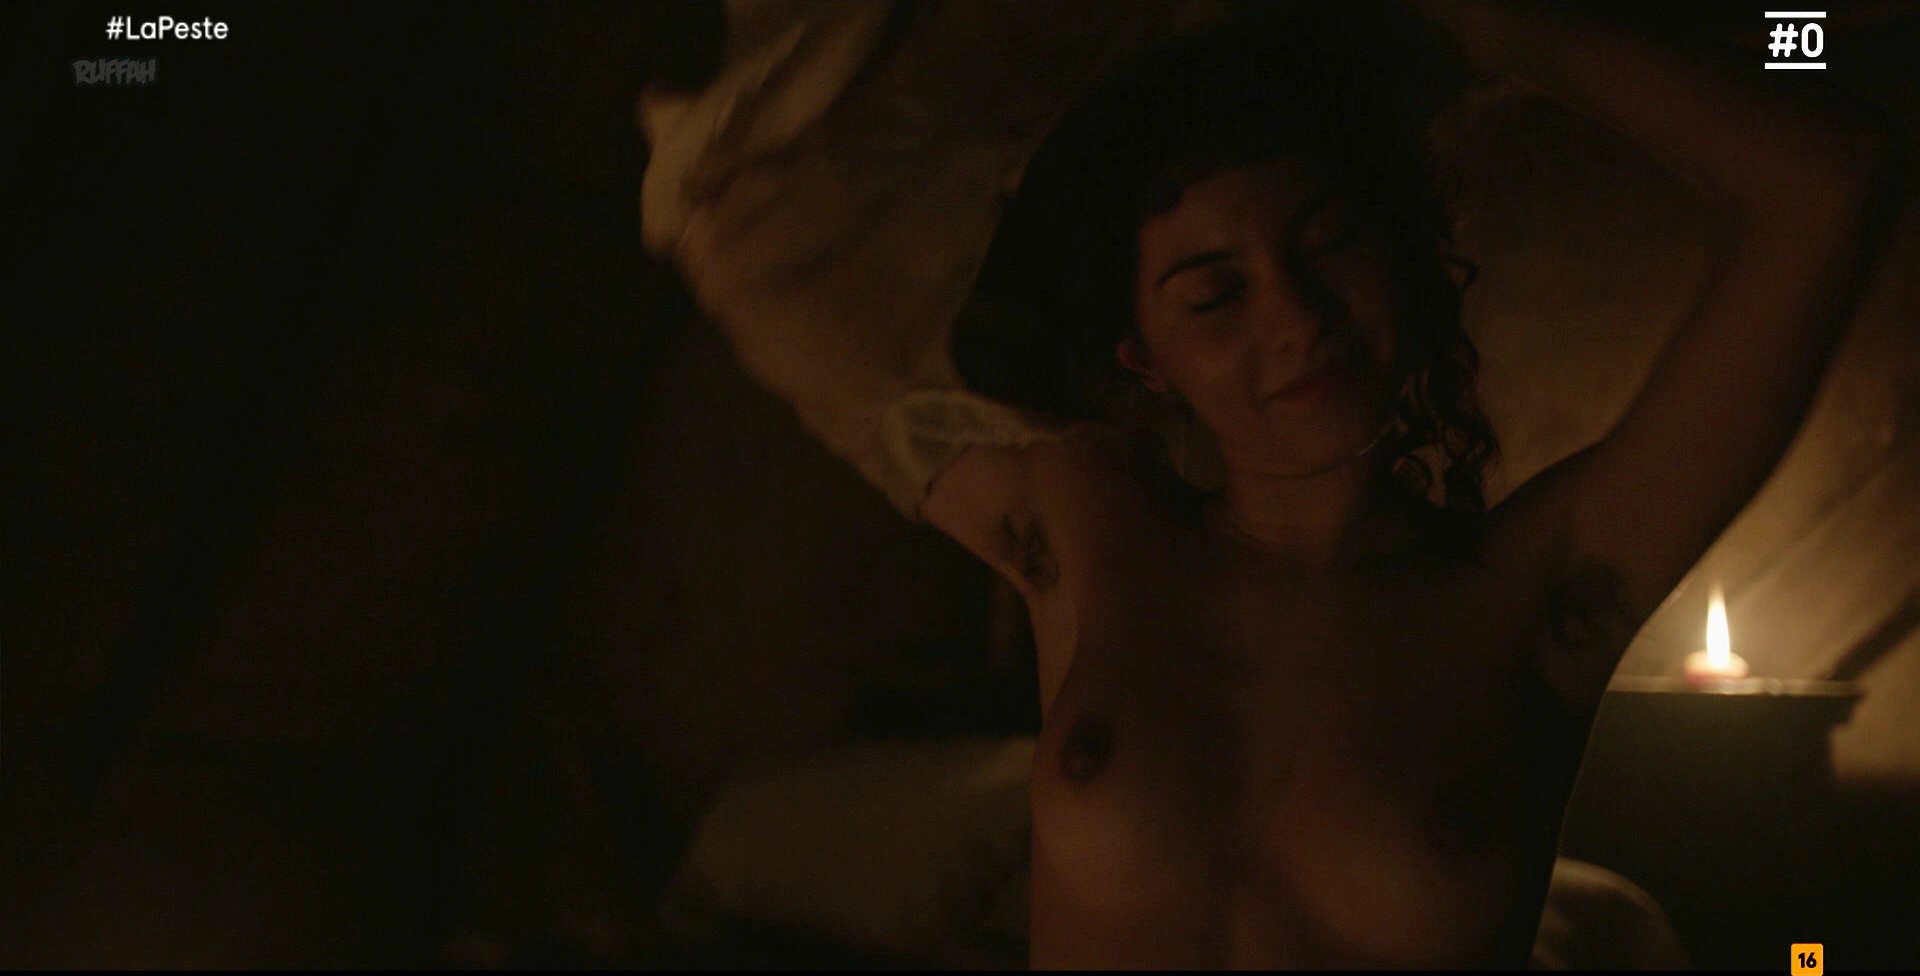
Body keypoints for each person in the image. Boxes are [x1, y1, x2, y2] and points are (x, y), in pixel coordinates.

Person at [913, 1, 1906, 968]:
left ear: (1405, 248)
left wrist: (1481, 23)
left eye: (1329, 241)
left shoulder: (1535, 593)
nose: (1296, 317)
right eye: (1215, 295)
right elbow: (857, 269)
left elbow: (1829, 179)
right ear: (1145, 357)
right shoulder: (1090, 529)